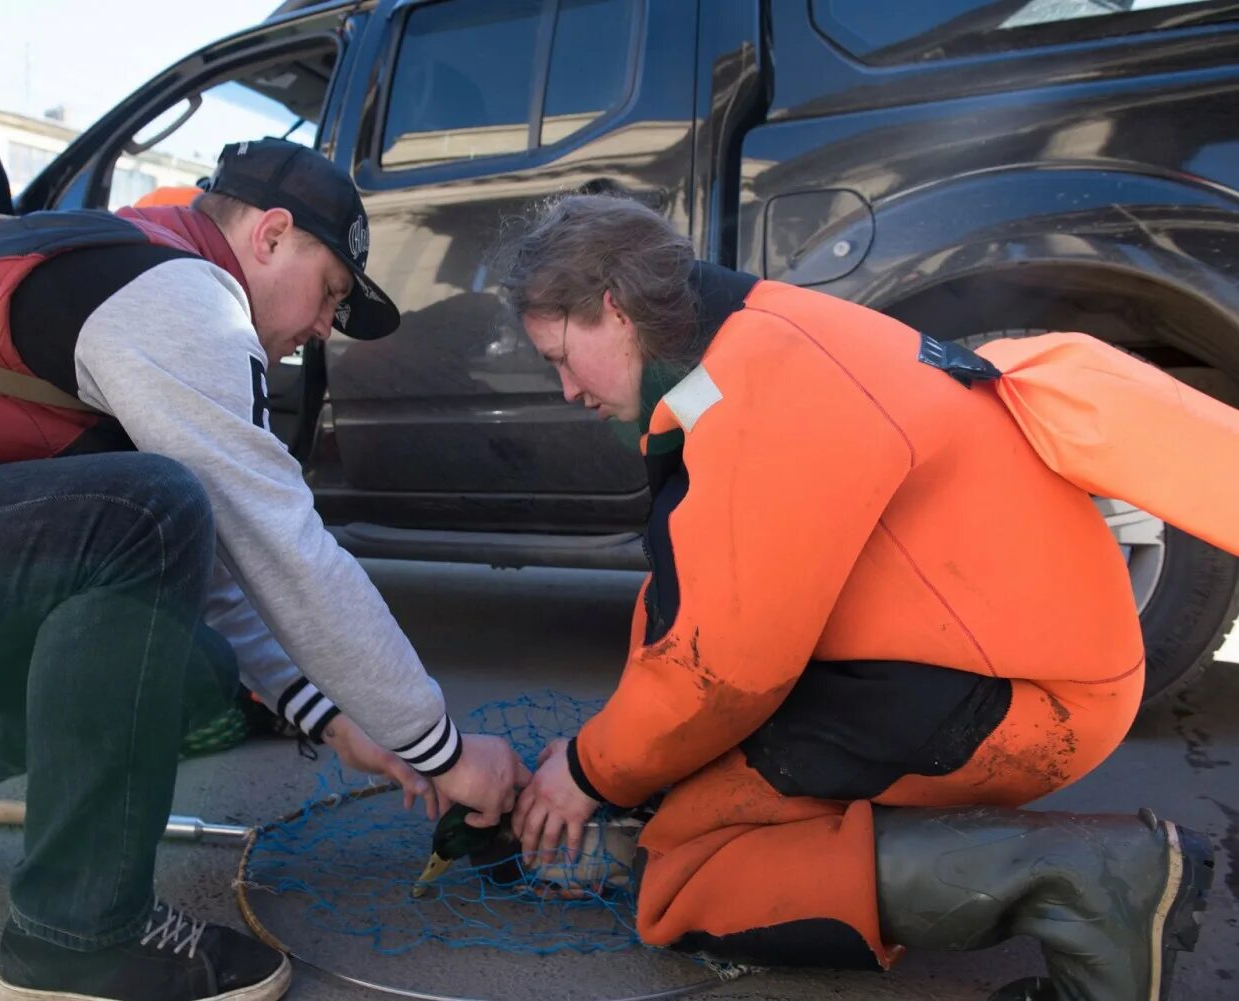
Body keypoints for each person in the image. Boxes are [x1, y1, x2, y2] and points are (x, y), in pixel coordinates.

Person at [0, 137, 526, 1001]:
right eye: (329, 292)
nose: (316, 332)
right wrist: (444, 751)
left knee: (191, 659)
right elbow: (278, 541)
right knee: (143, 508)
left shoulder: (132, 261)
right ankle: (80, 939)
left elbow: (219, 560)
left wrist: (332, 716)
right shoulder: (182, 294)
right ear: (268, 236)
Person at [504, 193, 1213, 1001]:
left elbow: (723, 674)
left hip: (1026, 693)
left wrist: (592, 774)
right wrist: (621, 760)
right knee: (685, 799)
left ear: (615, 308)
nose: (565, 389)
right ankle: (1037, 868)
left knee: (686, 873)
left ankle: (1080, 881)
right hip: (991, 655)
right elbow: (696, 601)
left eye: (561, 355)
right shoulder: (751, 337)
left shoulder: (764, 382)